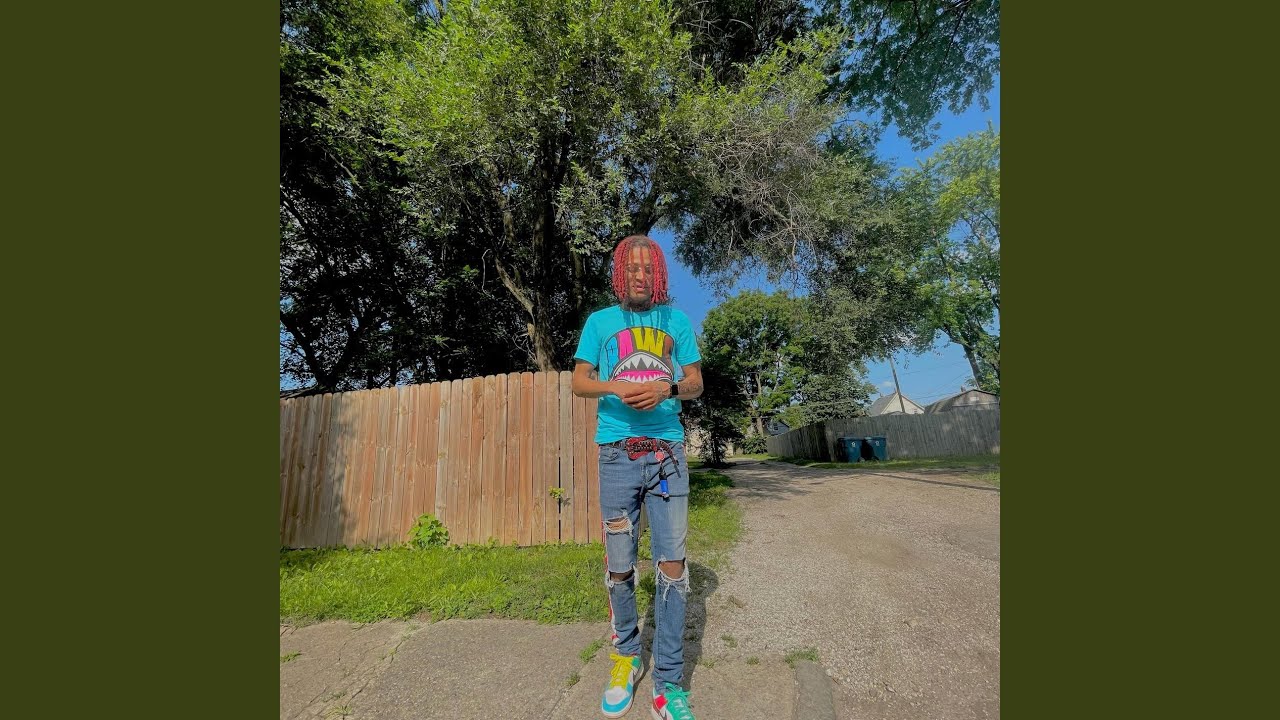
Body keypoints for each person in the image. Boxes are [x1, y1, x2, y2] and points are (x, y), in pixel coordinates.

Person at [572, 234, 704, 719]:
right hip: (616, 453)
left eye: (649, 269)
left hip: (667, 453)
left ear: (659, 274)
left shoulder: (676, 321)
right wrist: (617, 386)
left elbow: (696, 383)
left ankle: (668, 683)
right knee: (620, 564)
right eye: (632, 268)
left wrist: (666, 388)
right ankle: (626, 659)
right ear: (620, 273)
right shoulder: (600, 322)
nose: (641, 276)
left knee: (672, 565)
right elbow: (579, 381)